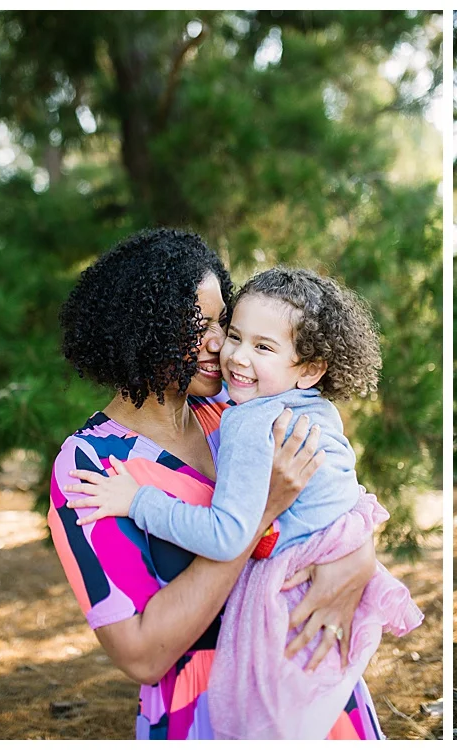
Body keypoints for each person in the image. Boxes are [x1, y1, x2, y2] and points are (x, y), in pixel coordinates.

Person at [48, 228, 388, 739]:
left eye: (221, 322)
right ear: (143, 326)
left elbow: (335, 493)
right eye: (196, 323)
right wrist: (262, 513)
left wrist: (356, 563)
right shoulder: (92, 463)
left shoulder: (235, 410)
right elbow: (141, 655)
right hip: (207, 710)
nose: (218, 344)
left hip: (311, 687)